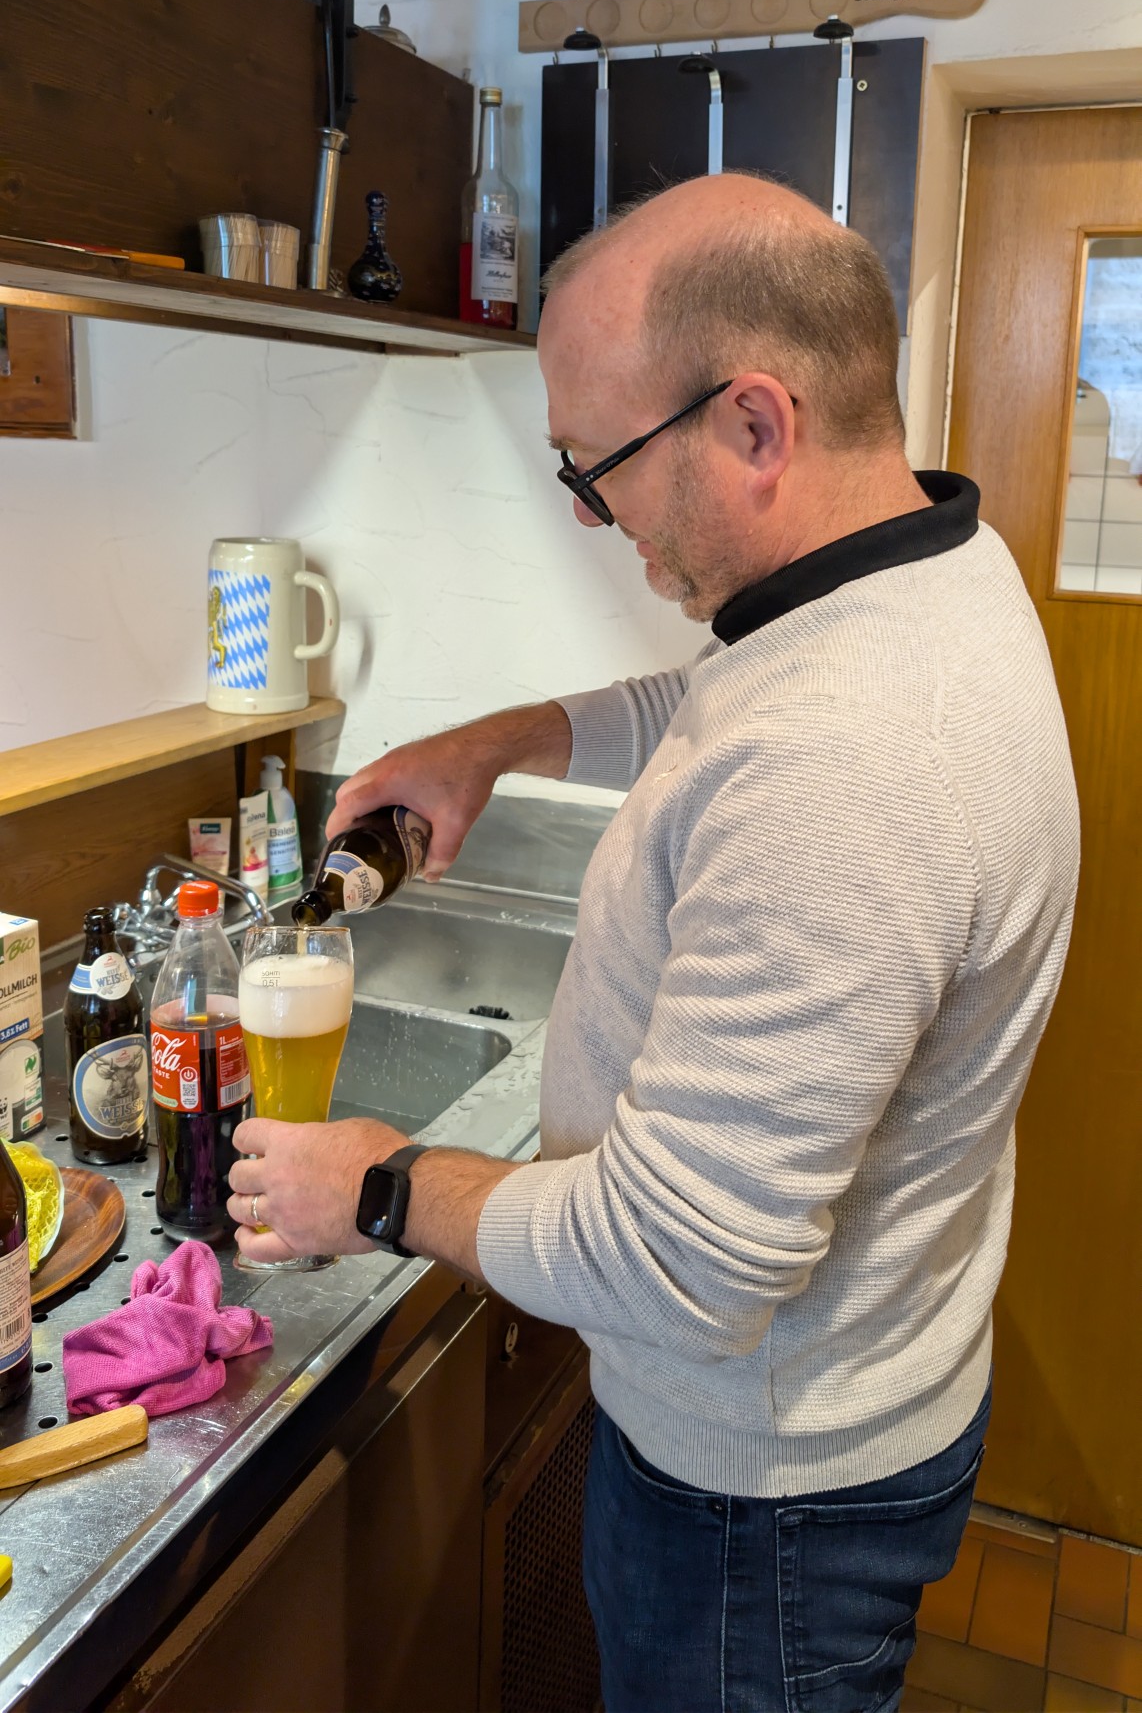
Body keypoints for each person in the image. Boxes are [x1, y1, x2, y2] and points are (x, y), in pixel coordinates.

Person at [228, 174, 1079, 1713]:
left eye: (594, 463)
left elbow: (683, 1263)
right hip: (830, 1422)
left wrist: (380, 1185)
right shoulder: (915, 572)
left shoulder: (849, 762)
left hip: (764, 1503)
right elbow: (724, 703)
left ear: (754, 422)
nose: (584, 508)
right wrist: (507, 739)